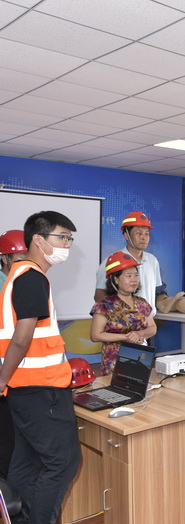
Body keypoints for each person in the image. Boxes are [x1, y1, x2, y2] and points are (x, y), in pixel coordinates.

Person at [0, 211, 81, 524]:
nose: (67, 245)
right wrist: (1, 380)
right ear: (38, 239)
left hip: (25, 389)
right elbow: (21, 339)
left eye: (70, 239)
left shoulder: (18, 275)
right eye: (62, 237)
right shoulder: (32, 277)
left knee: (27, 461)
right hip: (41, 389)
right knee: (63, 463)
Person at [90, 251, 157, 375]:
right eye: (128, 276)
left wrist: (139, 333)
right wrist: (127, 337)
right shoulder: (104, 305)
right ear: (116, 279)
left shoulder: (142, 303)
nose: (134, 280)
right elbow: (95, 335)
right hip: (115, 364)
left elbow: (152, 328)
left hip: (141, 360)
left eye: (136, 275)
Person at [94, 211, 165, 316]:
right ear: (126, 235)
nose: (144, 237)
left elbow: (155, 292)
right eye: (139, 233)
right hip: (123, 321)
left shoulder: (152, 260)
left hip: (148, 321)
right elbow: (99, 295)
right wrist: (120, 316)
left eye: (146, 234)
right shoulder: (112, 261)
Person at [0, 229, 27, 478]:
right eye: (18, 260)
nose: (23, 266)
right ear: (4, 259)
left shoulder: (23, 283)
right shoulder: (4, 287)